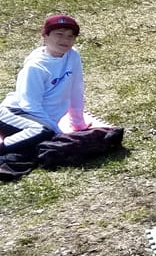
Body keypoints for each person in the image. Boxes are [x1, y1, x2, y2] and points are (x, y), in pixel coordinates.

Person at [0, 15, 90, 181]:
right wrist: (57, 133)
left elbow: (76, 90)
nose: (65, 40)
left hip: (42, 119)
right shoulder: (35, 67)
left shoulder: (73, 56)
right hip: (14, 113)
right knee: (42, 132)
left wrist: (79, 124)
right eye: (59, 34)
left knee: (41, 143)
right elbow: (29, 106)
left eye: (71, 36)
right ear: (45, 36)